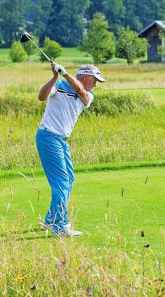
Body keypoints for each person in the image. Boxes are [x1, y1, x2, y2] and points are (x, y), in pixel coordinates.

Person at [35, 62, 105, 237]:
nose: (96, 84)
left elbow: (81, 92)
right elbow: (41, 97)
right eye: (94, 79)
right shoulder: (58, 86)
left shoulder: (88, 95)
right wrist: (54, 77)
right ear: (86, 76)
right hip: (48, 136)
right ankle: (60, 226)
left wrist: (65, 74)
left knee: (69, 180)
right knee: (61, 182)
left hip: (60, 139)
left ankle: (51, 219)